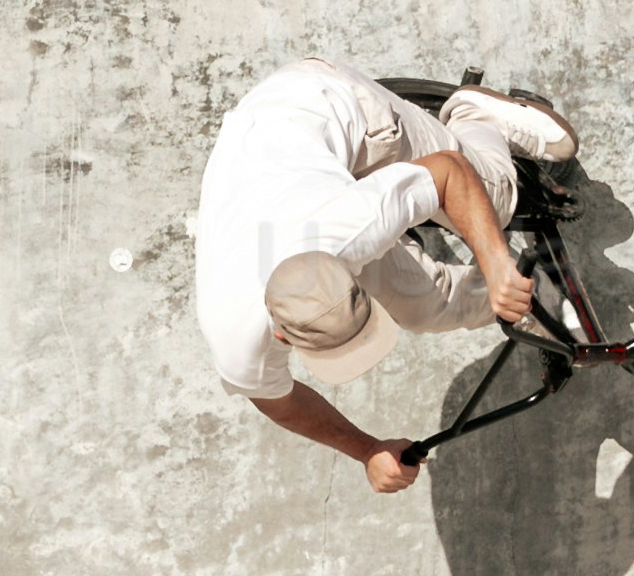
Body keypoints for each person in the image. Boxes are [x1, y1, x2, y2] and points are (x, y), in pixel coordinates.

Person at [191, 60, 576, 491]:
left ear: (350, 271)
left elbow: (449, 171)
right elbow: (277, 401)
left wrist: (497, 262)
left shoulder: (349, 227)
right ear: (280, 336)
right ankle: (541, 293)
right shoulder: (235, 334)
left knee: (497, 205)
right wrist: (368, 450)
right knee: (424, 307)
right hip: (271, 174)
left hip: (324, 103)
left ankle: (474, 114)